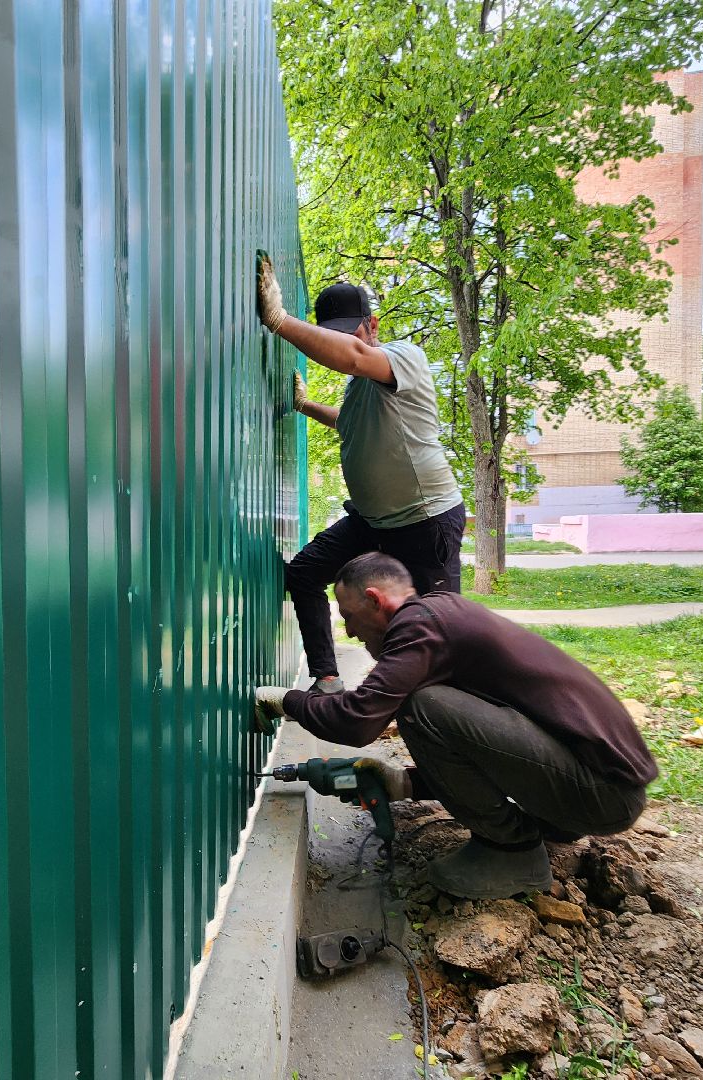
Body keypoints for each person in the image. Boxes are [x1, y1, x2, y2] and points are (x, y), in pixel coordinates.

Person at [253, 552, 657, 900]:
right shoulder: (441, 617)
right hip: (598, 786)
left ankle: (511, 851)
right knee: (428, 702)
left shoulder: (419, 626)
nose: (352, 632)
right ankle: (547, 825)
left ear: (375, 600)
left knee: (421, 705)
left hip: (603, 793)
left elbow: (358, 720)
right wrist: (406, 784)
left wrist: (285, 700)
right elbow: (489, 747)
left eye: (350, 618)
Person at [256, 256, 465, 694]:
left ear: (371, 325)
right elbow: (352, 422)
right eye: (331, 332)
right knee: (306, 573)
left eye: (349, 331)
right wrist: (305, 406)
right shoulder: (361, 388)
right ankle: (327, 680)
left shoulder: (403, 357)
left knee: (433, 632)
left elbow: (352, 358)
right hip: (373, 522)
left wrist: (277, 319)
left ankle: (443, 718)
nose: (342, 340)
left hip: (424, 521)